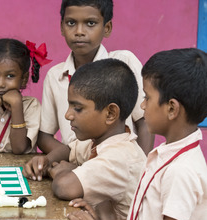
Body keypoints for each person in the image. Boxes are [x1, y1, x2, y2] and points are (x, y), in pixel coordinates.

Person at [67, 48, 207, 220]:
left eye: (147, 98)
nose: (141, 106)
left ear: (172, 109)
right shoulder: (165, 154)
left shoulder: (181, 171)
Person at [17, 58, 147, 220]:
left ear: (110, 113)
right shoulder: (101, 140)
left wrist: (60, 171)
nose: (67, 115)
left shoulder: (120, 157)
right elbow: (69, 150)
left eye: (77, 108)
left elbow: (64, 187)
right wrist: (46, 160)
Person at [37, 0, 154, 155]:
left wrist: (138, 170)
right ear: (61, 27)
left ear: (107, 28)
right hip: (76, 170)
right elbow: (44, 136)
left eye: (90, 23)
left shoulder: (123, 63)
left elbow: (144, 122)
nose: (79, 31)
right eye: (71, 23)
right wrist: (74, 158)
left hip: (119, 168)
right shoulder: (55, 75)